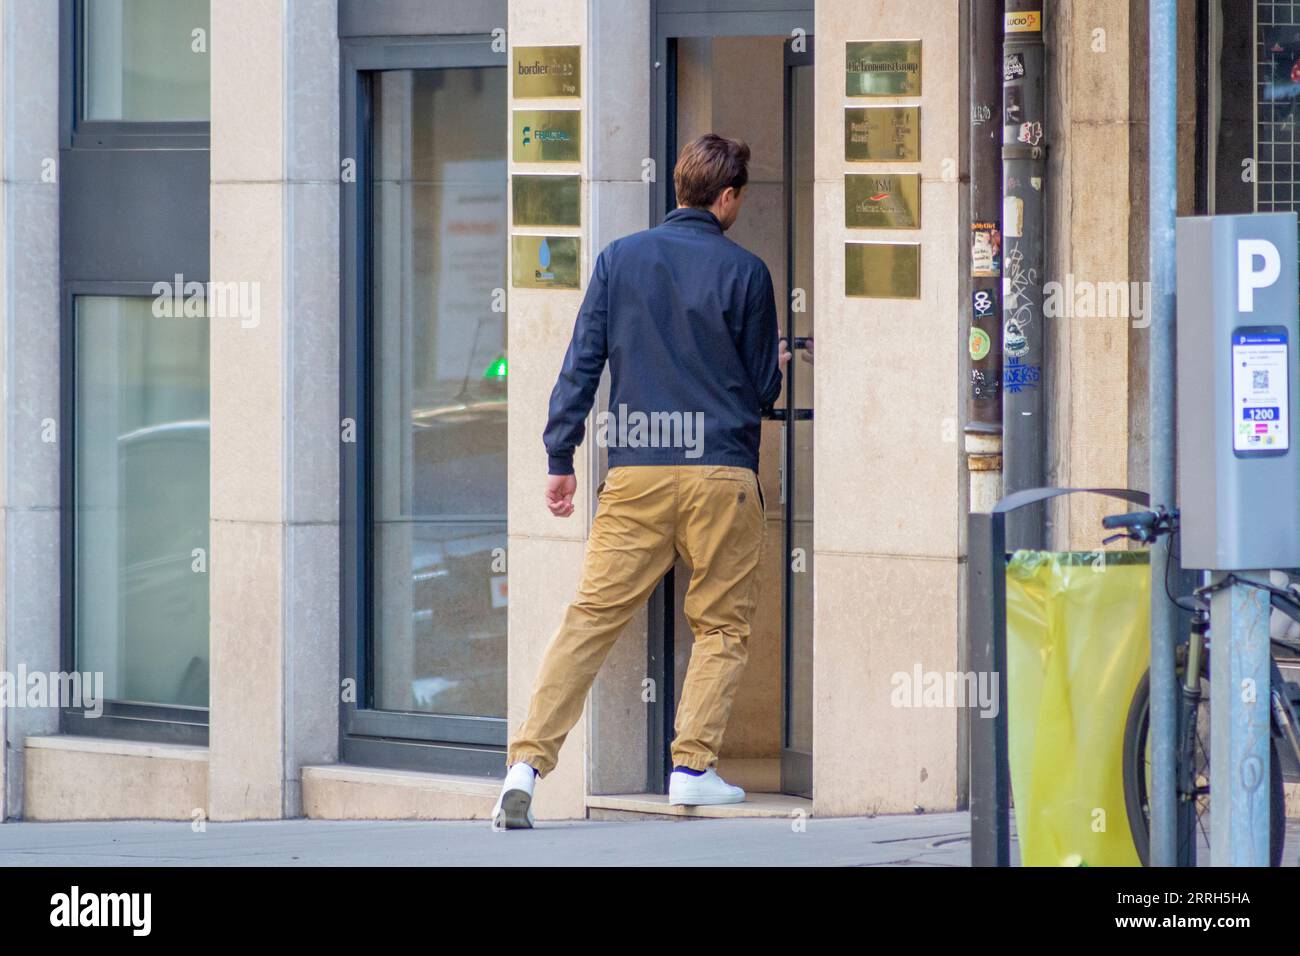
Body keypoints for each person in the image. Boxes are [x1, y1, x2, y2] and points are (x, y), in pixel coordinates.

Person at [491, 133, 790, 830]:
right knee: (721, 624)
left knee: (589, 621)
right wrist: (772, 362)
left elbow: (581, 363)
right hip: (720, 471)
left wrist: (559, 458)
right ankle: (691, 767)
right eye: (739, 196)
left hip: (637, 472)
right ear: (727, 197)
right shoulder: (747, 273)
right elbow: (763, 391)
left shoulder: (619, 260)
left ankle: (525, 768)